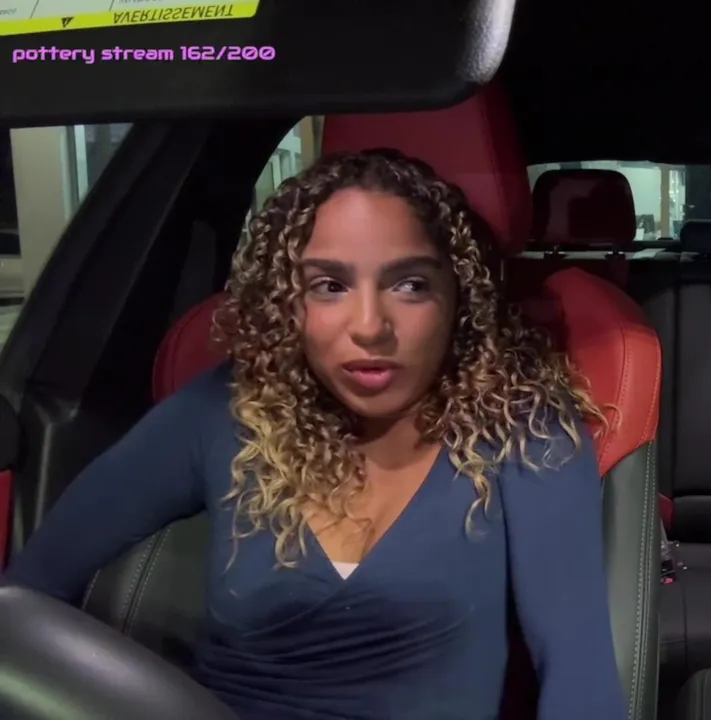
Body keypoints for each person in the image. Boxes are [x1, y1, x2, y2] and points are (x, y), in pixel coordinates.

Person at [7, 149, 628, 720]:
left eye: (410, 284)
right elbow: (28, 593)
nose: (370, 326)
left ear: (458, 297)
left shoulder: (523, 428)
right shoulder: (227, 411)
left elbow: (580, 678)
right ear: (291, 303)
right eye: (329, 286)